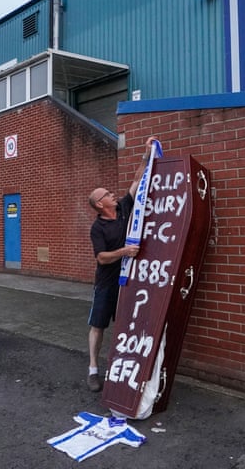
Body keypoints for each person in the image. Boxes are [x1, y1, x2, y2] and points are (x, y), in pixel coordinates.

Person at [85, 136, 158, 392]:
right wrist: (125, 251)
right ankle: (93, 370)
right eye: (107, 194)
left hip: (130, 280)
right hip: (107, 283)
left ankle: (119, 367)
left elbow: (136, 183)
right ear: (99, 204)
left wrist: (146, 154)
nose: (112, 193)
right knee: (98, 325)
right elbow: (101, 258)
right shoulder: (98, 227)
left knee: (126, 324)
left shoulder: (125, 207)